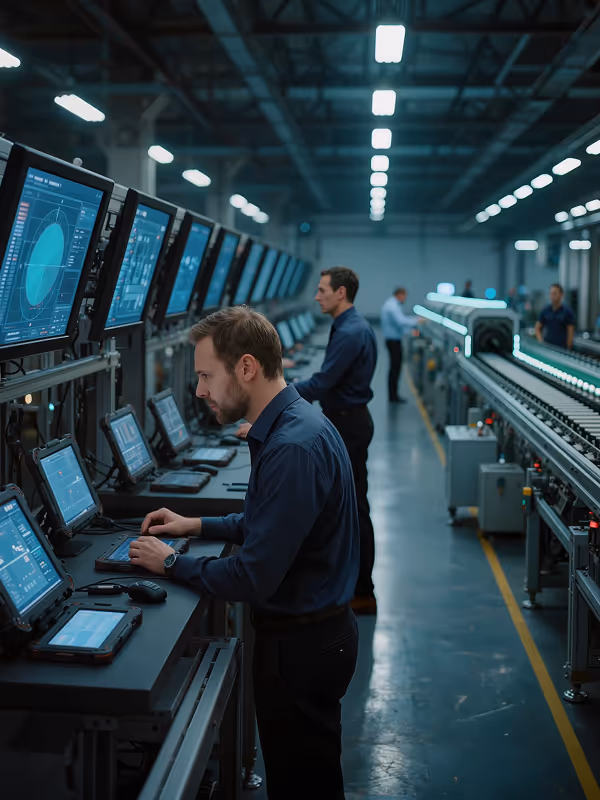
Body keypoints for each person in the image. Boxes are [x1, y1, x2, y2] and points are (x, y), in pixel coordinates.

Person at [129, 306, 360, 800]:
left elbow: (254, 577)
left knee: (304, 786)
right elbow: (273, 524)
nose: (199, 391)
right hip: (313, 635)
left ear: (248, 368)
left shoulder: (292, 449)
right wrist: (197, 523)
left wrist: (170, 563)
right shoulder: (294, 426)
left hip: (301, 648)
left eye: (206, 375)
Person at [293, 267, 378, 615]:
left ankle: (363, 590)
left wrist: (276, 394)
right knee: (348, 505)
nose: (317, 296)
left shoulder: (350, 331)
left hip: (348, 425)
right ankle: (349, 582)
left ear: (341, 293)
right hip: (348, 421)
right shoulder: (350, 326)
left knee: (355, 508)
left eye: (322, 290)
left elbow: (324, 382)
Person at [380, 287, 418, 403]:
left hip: (393, 339)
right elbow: (401, 322)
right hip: (393, 341)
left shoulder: (391, 305)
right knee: (395, 368)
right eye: (404, 296)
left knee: (395, 368)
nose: (405, 299)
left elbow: (397, 326)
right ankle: (393, 396)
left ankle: (393, 394)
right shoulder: (393, 307)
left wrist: (410, 331)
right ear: (399, 294)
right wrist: (417, 320)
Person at [535, 283, 575, 350]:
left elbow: (570, 332)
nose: (552, 296)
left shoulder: (567, 312)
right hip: (548, 347)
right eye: (551, 293)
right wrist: (541, 342)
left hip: (562, 349)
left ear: (561, 295)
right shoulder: (545, 311)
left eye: (555, 293)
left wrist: (568, 348)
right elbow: (537, 328)